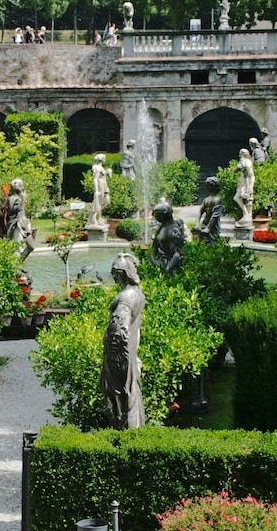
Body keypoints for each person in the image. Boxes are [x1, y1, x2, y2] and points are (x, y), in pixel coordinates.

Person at [100, 252, 146, 430]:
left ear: (120, 274)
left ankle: (126, 441)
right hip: (131, 356)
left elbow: (119, 331)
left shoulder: (126, 298)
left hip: (121, 360)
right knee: (131, 399)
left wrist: (115, 366)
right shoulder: (137, 293)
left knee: (121, 403)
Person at [150, 201, 185, 277]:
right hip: (161, 263)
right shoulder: (161, 228)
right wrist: (153, 259)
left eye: (157, 215)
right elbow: (154, 245)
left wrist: (169, 268)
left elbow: (178, 253)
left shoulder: (174, 230)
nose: (155, 218)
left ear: (165, 215)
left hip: (171, 266)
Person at [6, 178, 35, 261]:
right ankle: (16, 268)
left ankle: (18, 265)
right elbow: (17, 209)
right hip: (17, 226)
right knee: (17, 249)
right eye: (21, 186)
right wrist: (24, 199)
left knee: (31, 246)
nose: (22, 188)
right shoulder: (12, 199)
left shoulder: (17, 198)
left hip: (24, 225)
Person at [194, 176, 223, 244]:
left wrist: (208, 228)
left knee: (213, 244)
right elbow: (199, 213)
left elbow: (215, 216)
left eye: (209, 185)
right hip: (204, 225)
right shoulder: (206, 199)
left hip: (213, 227)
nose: (207, 187)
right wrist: (197, 224)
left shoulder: (218, 200)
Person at [86, 153, 112, 228]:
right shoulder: (97, 167)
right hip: (100, 186)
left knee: (107, 202)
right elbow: (95, 179)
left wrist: (107, 172)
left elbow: (104, 177)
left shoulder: (101, 167)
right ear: (101, 159)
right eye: (104, 158)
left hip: (104, 185)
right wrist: (96, 191)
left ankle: (97, 217)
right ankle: (94, 219)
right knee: (98, 203)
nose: (105, 159)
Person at [234, 148, 255, 227]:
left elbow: (251, 175)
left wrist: (250, 186)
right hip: (242, 183)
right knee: (238, 198)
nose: (239, 156)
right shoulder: (242, 162)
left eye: (240, 154)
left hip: (246, 183)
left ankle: (247, 216)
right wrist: (239, 165)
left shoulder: (248, 163)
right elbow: (235, 171)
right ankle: (246, 215)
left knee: (247, 200)